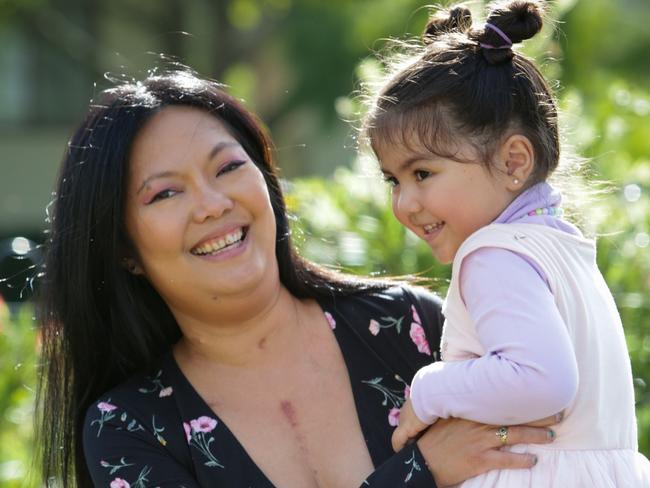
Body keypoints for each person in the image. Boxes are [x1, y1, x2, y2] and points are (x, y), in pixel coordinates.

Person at [34, 69, 556, 488]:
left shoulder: (408, 325)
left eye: (227, 168)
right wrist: (422, 472)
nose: (214, 205)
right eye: (165, 194)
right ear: (125, 250)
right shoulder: (129, 427)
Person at [362, 1, 650, 486]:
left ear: (515, 162)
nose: (405, 203)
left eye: (423, 173)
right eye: (394, 180)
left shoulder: (494, 254)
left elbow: (544, 379)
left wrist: (431, 388)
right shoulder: (563, 251)